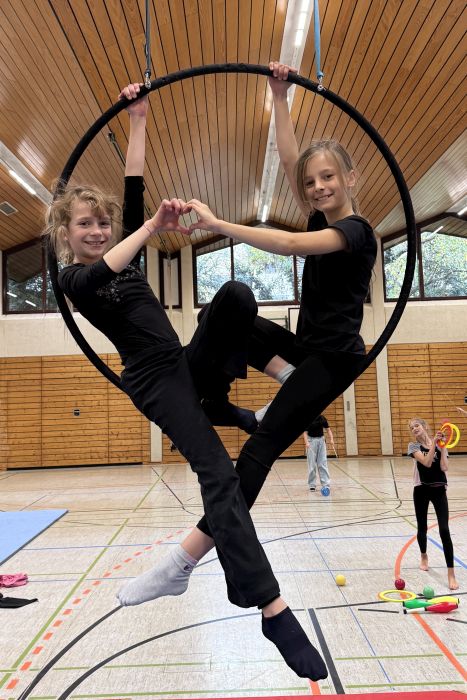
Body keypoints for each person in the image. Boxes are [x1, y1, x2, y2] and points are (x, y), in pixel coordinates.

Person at [45, 83, 327, 682]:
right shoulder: (73, 281)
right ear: (65, 234)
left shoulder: (121, 249)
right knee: (220, 475)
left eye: (103, 223)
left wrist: (138, 118)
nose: (97, 231)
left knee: (235, 296)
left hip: (181, 362)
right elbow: (109, 262)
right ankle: (272, 609)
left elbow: (133, 185)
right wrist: (152, 226)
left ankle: (284, 373)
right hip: (154, 383)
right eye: (85, 225)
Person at [126, 58, 376, 652]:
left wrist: (219, 224)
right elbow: (290, 161)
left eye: (328, 178)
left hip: (333, 360)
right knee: (230, 307)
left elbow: (288, 243)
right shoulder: (316, 202)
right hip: (302, 346)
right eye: (312, 182)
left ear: (350, 177)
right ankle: (240, 391)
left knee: (259, 449)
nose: (317, 187)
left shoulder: (356, 231)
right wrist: (278, 95)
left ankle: (184, 560)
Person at [408, 417, 458, 590]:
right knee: (422, 527)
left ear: (424, 426)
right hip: (421, 490)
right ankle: (424, 555)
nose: (415, 429)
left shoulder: (440, 444)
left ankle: (451, 573)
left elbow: (444, 467)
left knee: (444, 529)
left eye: (417, 425)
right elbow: (427, 462)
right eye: (412, 427)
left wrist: (442, 447)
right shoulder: (413, 446)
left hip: (439, 490)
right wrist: (435, 444)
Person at [304, 414, 333, 492]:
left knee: (322, 463)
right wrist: (307, 443)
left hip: (321, 441)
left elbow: (328, 429)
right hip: (311, 441)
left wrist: (331, 439)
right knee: (312, 464)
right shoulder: (308, 418)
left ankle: (326, 484)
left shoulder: (322, 418)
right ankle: (312, 484)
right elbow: (305, 432)